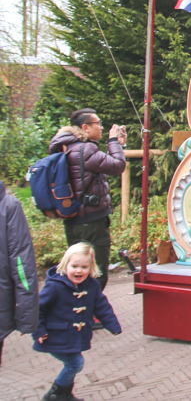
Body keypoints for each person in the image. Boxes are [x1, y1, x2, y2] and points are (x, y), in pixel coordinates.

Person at [48, 108, 127, 292]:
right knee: (95, 271)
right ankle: (87, 313)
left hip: (74, 219)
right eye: (97, 123)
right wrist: (113, 141)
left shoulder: (67, 147)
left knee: (77, 269)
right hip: (91, 222)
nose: (101, 127)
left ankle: (78, 310)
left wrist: (118, 146)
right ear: (85, 127)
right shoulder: (85, 149)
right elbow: (117, 166)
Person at [34, 243, 121, 401]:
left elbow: (102, 306)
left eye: (84, 267)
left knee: (73, 364)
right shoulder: (54, 286)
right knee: (75, 363)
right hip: (54, 336)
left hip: (74, 337)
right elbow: (37, 309)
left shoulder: (91, 285)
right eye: (74, 266)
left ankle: (63, 394)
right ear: (65, 264)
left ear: (91, 267)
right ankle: (55, 395)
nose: (79, 271)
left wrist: (112, 325)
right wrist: (38, 331)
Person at [1, 178, 38, 368]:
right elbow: (21, 263)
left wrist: (26, 316)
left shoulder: (7, 206)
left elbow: (21, 264)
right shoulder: (8, 205)